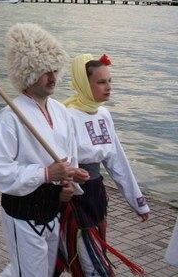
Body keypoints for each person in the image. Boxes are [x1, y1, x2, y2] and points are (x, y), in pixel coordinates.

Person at [0, 23, 89, 277]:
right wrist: (45, 174)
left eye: (55, 70)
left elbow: (68, 158)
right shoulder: (9, 117)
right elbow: (1, 173)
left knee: (42, 272)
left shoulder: (61, 111)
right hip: (22, 212)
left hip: (53, 210)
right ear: (27, 72)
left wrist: (72, 177)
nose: (52, 77)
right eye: (45, 71)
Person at [56, 54, 149, 276]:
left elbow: (117, 160)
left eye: (109, 81)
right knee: (86, 258)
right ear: (83, 83)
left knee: (88, 251)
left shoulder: (104, 114)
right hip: (75, 196)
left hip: (96, 193)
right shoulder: (67, 115)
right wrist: (71, 181)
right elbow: (63, 159)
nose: (108, 87)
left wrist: (137, 202)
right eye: (101, 82)